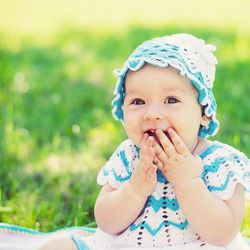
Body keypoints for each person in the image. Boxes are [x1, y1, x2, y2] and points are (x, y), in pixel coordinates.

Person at [0, 33, 249, 250]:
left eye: (171, 100)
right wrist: (135, 187)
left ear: (204, 112)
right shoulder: (129, 157)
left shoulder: (220, 163)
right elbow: (106, 222)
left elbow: (223, 234)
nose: (152, 113)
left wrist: (187, 181)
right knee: (57, 247)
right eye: (138, 102)